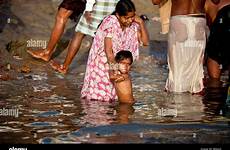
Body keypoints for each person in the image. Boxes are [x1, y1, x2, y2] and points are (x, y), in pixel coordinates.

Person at [81, 0, 149, 101]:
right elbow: (109, 53)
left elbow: (145, 42)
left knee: (115, 99)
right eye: (126, 18)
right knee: (100, 99)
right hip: (103, 64)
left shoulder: (133, 25)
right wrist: (112, 71)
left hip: (118, 62)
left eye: (132, 17)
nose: (130, 20)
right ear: (118, 15)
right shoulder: (110, 23)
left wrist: (141, 23)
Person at [49, 0, 119, 74]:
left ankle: (64, 67)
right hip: (113, 8)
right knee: (104, 40)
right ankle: (110, 70)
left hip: (97, 7)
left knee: (79, 35)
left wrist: (88, 9)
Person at [152, 0, 207, 94]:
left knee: (177, 70)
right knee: (196, 71)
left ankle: (177, 105)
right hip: (199, 20)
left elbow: (155, 1)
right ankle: (195, 106)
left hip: (180, 20)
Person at [205, 0, 230, 86]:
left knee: (214, 84)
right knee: (214, 84)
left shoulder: (207, 4)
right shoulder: (208, 4)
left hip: (215, 49)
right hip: (215, 49)